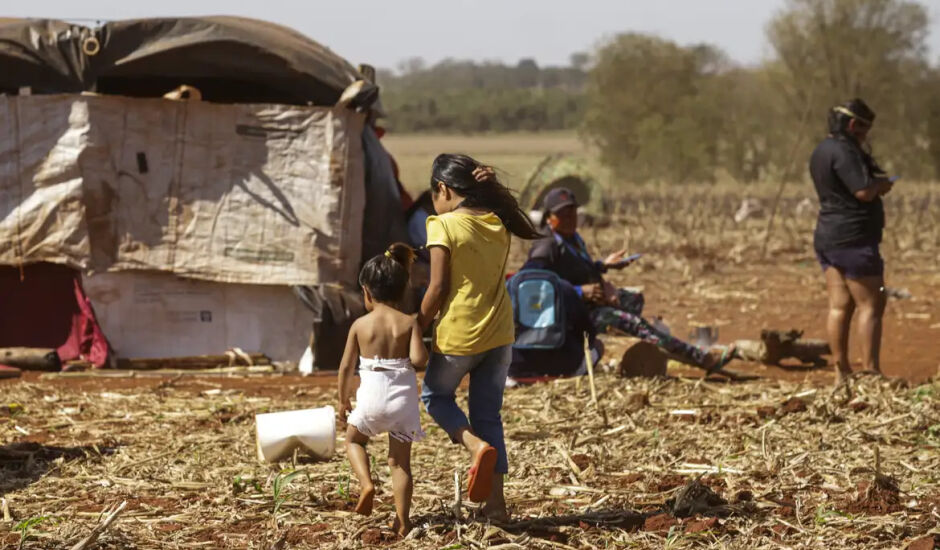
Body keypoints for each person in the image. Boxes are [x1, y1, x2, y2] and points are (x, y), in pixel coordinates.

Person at [417, 153, 541, 521]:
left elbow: (437, 287)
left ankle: (474, 447)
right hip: (500, 333)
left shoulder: (442, 225)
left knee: (435, 396)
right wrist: (493, 190)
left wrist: (417, 323)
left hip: (459, 334)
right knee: (488, 414)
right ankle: (497, 507)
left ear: (443, 188)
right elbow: (513, 214)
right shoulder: (497, 220)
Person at [523, 187, 735, 372]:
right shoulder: (546, 246)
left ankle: (651, 341)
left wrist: (602, 268)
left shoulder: (572, 238)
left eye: (573, 212)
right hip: (572, 314)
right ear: (549, 217)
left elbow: (572, 269)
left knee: (633, 300)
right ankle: (702, 358)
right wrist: (580, 292)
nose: (570, 218)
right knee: (635, 323)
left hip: (590, 302)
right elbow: (532, 285)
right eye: (563, 214)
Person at [337, 243, 428, 537]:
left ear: (366, 292)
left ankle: (366, 484)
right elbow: (418, 360)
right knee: (400, 462)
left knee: (354, 441)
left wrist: (342, 401)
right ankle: (403, 520)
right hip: (403, 401)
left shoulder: (360, 325)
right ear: (402, 290)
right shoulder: (409, 322)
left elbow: (345, 368)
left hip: (371, 399)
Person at [810, 99, 894, 386]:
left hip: (828, 238)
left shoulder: (821, 150)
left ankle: (841, 373)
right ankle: (871, 373)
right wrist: (881, 186)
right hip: (854, 240)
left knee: (840, 305)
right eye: (864, 129)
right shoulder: (845, 151)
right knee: (873, 302)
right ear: (853, 125)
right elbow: (862, 192)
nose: (865, 137)